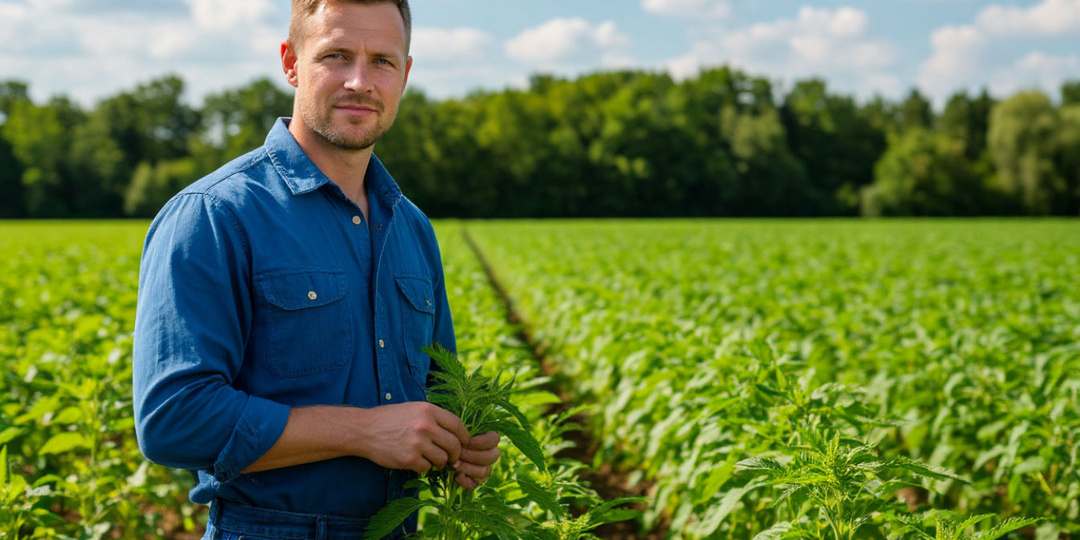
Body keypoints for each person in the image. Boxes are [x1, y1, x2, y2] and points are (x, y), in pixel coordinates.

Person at [131, 1, 500, 538]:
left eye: (382, 61)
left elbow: (438, 388)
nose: (360, 81)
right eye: (336, 56)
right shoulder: (215, 214)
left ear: (405, 75)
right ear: (291, 62)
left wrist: (460, 440)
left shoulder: (412, 226)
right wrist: (362, 432)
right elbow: (173, 419)